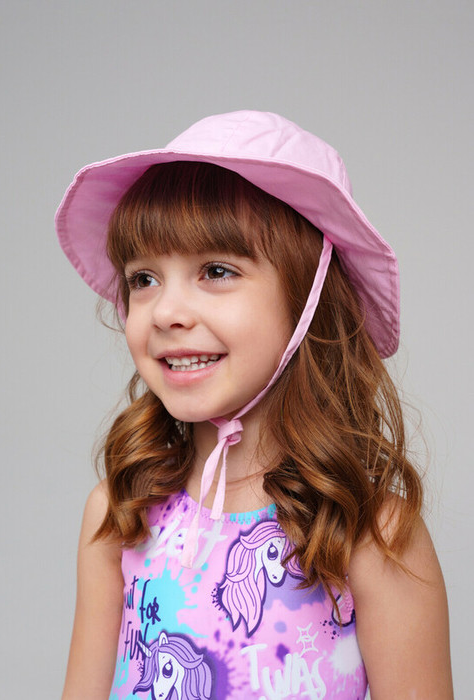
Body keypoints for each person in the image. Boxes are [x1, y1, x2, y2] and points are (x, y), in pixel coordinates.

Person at [56, 111, 453, 699]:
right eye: (143, 279)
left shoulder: (370, 533)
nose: (166, 312)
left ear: (308, 300)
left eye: (215, 271)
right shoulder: (120, 513)